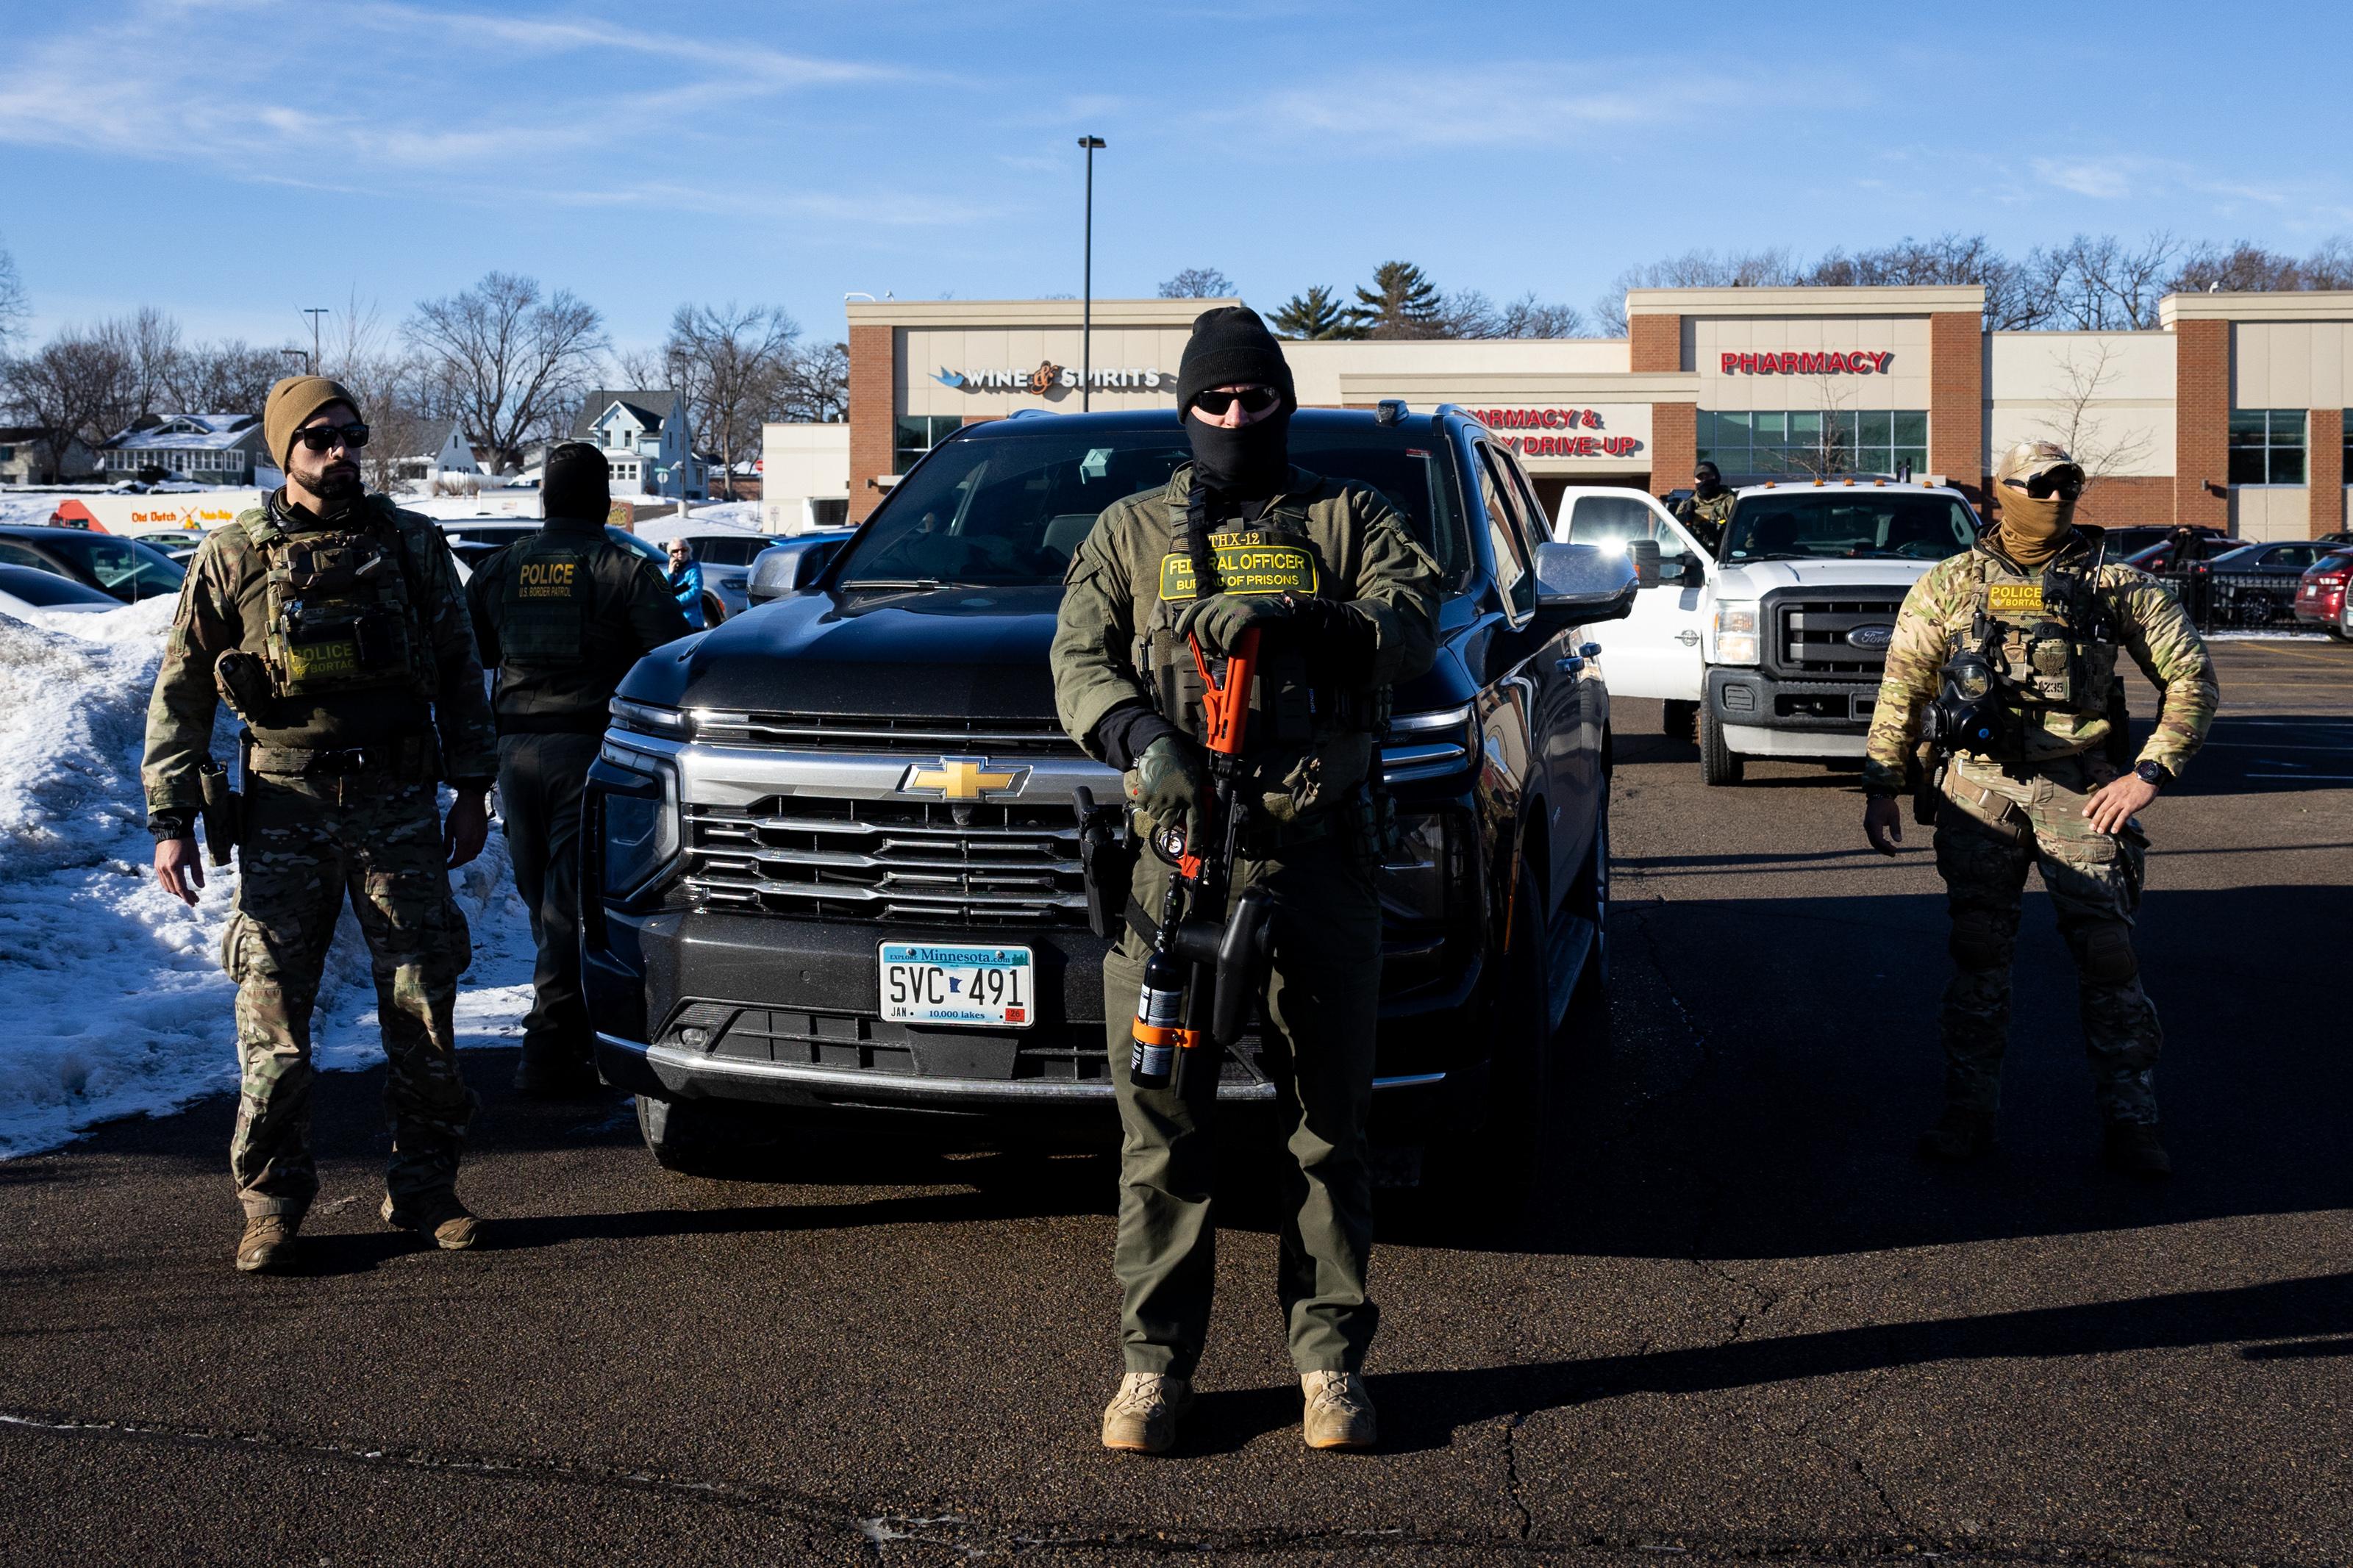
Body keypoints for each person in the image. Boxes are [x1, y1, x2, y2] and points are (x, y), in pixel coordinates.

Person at [1051, 307, 1441, 1454]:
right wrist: (1140, 739)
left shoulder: (1352, 515)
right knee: (1162, 1134)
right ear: (1185, 410)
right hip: (1176, 877)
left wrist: (1304, 618)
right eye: (1213, 402)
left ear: (1284, 400)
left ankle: (1327, 1365)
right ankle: (1152, 1370)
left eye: (1255, 398)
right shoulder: (1128, 530)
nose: (1235, 418)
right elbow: (1076, 657)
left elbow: (1412, 622)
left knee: (1329, 1128)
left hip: (1317, 864)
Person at [143, 376, 501, 1272]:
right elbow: (182, 691)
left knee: (422, 1006)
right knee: (273, 1019)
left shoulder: (413, 545)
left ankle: (424, 1190)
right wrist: (171, 815)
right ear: (282, 452)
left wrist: (471, 786)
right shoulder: (231, 557)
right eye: (318, 439)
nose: (341, 452)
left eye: (351, 434)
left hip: (397, 806)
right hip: (284, 810)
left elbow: (462, 669)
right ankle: (270, 1205)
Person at [1861, 440, 2218, 1179]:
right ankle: (1968, 1115)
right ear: (2003, 491)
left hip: (2076, 790)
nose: (2056, 498)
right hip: (1977, 794)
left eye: (2069, 484)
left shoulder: (2112, 585)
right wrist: (1881, 787)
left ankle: (2132, 1125)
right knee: (1977, 958)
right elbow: (1902, 690)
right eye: (2041, 484)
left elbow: (2190, 678)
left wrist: (2150, 771)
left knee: (2107, 959)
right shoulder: (1949, 584)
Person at [467, 444, 693, 1097]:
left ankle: (562, 1038)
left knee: (545, 901)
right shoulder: (623, 569)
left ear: (546, 500)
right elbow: (673, 657)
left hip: (515, 756)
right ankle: (548, 1048)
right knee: (566, 905)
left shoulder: (500, 569)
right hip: (586, 756)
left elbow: (466, 649)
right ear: (601, 501)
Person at [1674, 460, 1734, 554]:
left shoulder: (1730, 501)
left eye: (1708, 477)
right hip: (1695, 557)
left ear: (1717, 477)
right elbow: (1674, 537)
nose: (1704, 481)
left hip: (1724, 556)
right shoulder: (1687, 505)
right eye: (1700, 478)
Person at [666, 538, 707, 629]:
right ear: (670, 554)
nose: (680, 553)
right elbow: (662, 590)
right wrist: (670, 574)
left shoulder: (694, 569)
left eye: (684, 550)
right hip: (672, 622)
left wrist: (674, 603)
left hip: (691, 622)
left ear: (689, 551)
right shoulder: (668, 571)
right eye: (676, 551)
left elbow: (696, 592)